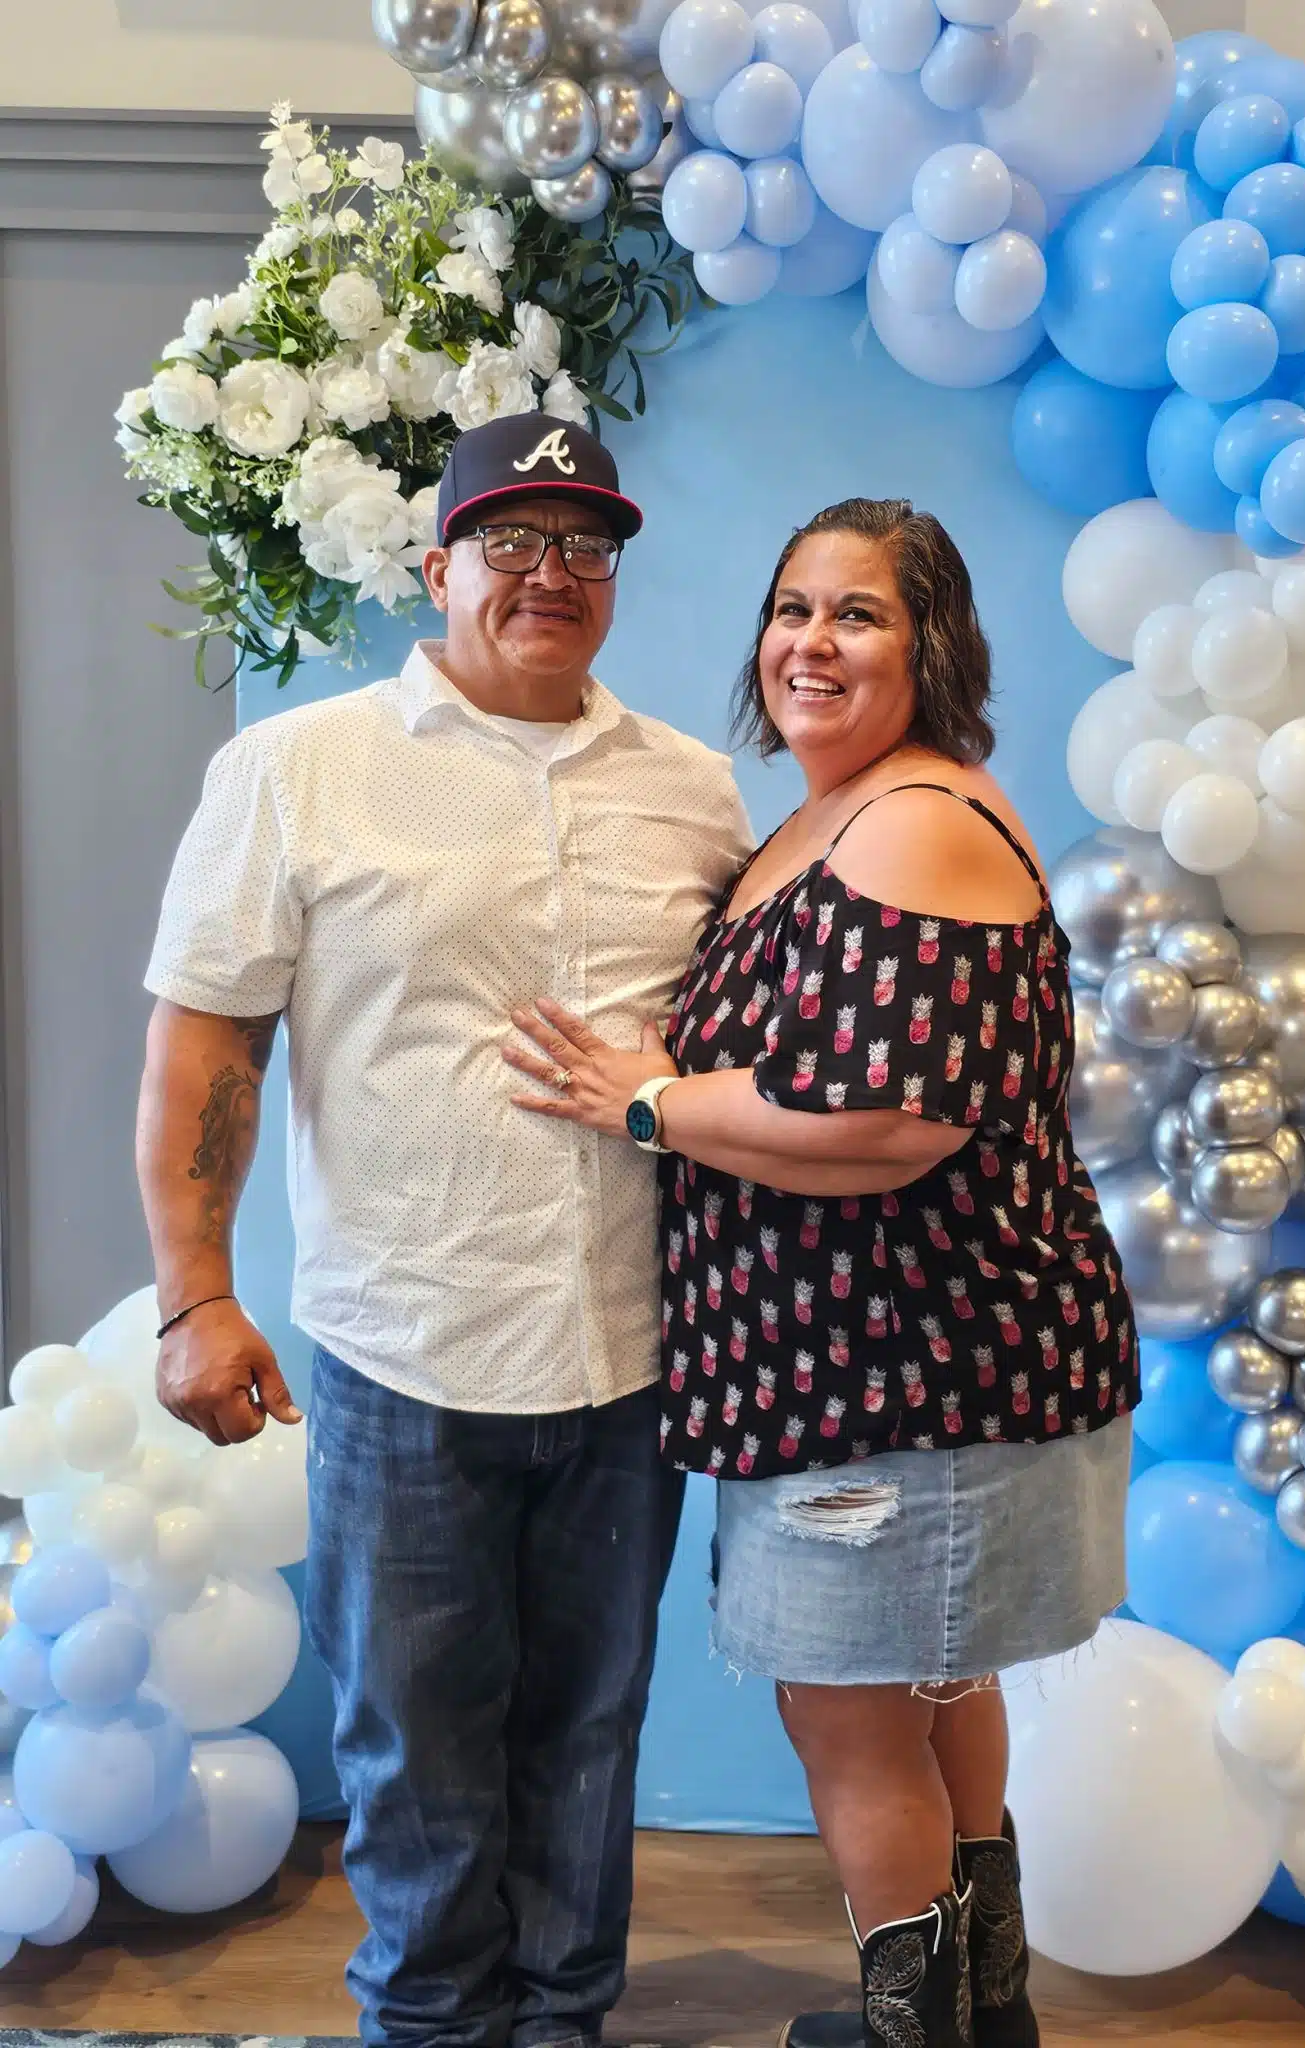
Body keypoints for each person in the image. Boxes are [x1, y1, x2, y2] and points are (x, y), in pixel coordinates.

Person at [136, 413, 752, 2048]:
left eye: (587, 546)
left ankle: (562, 2023)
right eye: (513, 540)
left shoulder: (694, 791)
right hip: (402, 1349)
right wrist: (193, 1297)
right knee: (413, 1744)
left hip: (628, 1353)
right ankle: (428, 2028)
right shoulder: (299, 769)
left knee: (589, 1730)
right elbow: (208, 1044)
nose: (553, 573)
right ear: (438, 568)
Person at [502, 497, 1138, 2048]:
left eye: (858, 613)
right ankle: (982, 2017)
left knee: (850, 1718)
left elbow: (886, 1122)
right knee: (929, 1690)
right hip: (865, 1372)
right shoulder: (830, 815)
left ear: (934, 647)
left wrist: (646, 1104)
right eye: (792, 609)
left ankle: (918, 2030)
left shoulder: (915, 819)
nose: (811, 642)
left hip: (903, 1376)